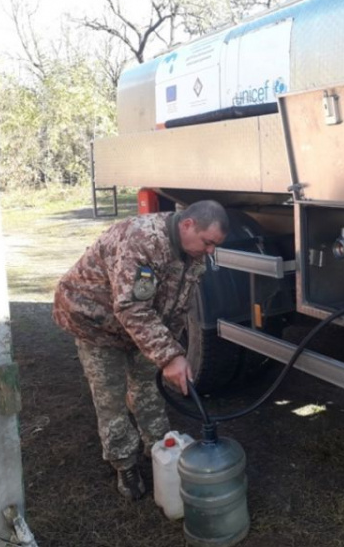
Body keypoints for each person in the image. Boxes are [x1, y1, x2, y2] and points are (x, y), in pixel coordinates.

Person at [52, 200, 228, 500]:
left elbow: (175, 305)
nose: (211, 251)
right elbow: (131, 306)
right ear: (188, 225)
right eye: (208, 242)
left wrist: (170, 350)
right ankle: (124, 464)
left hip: (140, 324)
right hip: (93, 321)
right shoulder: (142, 240)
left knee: (149, 387)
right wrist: (169, 355)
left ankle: (159, 446)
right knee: (110, 396)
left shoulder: (192, 252)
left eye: (215, 245)